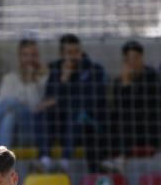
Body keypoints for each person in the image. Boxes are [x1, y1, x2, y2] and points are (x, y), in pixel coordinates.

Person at [37, 33, 108, 173]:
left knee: (76, 110)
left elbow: (90, 99)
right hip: (59, 122)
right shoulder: (56, 69)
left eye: (76, 52)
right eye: (69, 53)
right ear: (62, 54)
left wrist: (60, 99)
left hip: (83, 123)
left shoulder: (93, 70)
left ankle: (65, 162)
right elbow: (48, 98)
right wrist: (64, 80)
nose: (73, 57)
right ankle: (44, 160)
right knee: (44, 114)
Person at [106, 40, 161, 164]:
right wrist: (125, 84)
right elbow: (120, 108)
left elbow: (146, 105)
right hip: (130, 131)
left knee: (129, 116)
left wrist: (128, 87)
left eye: (136, 58)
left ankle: (123, 157)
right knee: (115, 116)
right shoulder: (120, 81)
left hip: (151, 128)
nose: (133, 62)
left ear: (142, 58)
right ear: (124, 60)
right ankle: (112, 160)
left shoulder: (152, 76)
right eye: (129, 58)